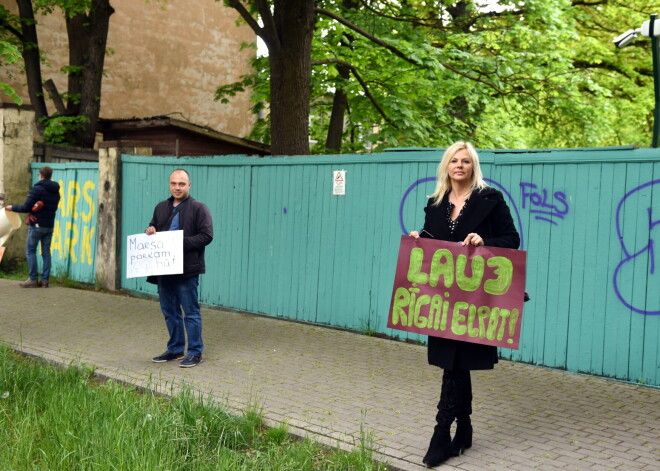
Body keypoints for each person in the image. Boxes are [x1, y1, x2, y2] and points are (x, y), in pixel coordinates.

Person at [409, 141, 520, 468]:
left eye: (466, 161)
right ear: (446, 166)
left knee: (454, 362)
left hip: (475, 299)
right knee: (454, 361)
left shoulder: (490, 199)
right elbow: (433, 241)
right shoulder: (435, 202)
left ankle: (441, 433)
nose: (459, 165)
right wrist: (420, 240)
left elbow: (512, 240)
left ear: (474, 167)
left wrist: (484, 240)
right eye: (454, 160)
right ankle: (466, 429)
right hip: (443, 300)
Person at [146, 169, 213, 368]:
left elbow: (206, 236)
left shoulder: (199, 208)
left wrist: (178, 243)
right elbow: (153, 227)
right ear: (169, 184)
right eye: (174, 183)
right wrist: (150, 231)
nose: (177, 187)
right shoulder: (160, 207)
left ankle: (195, 353)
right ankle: (175, 349)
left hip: (187, 269)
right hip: (164, 269)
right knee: (169, 310)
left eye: (182, 184)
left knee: (190, 312)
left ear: (189, 185)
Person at [5, 166, 61, 288]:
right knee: (46, 252)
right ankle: (45, 280)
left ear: (41, 175)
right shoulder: (56, 190)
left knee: (31, 250)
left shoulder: (38, 189)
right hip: (49, 225)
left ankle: (33, 279)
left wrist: (11, 207)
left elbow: (25, 208)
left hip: (36, 225)